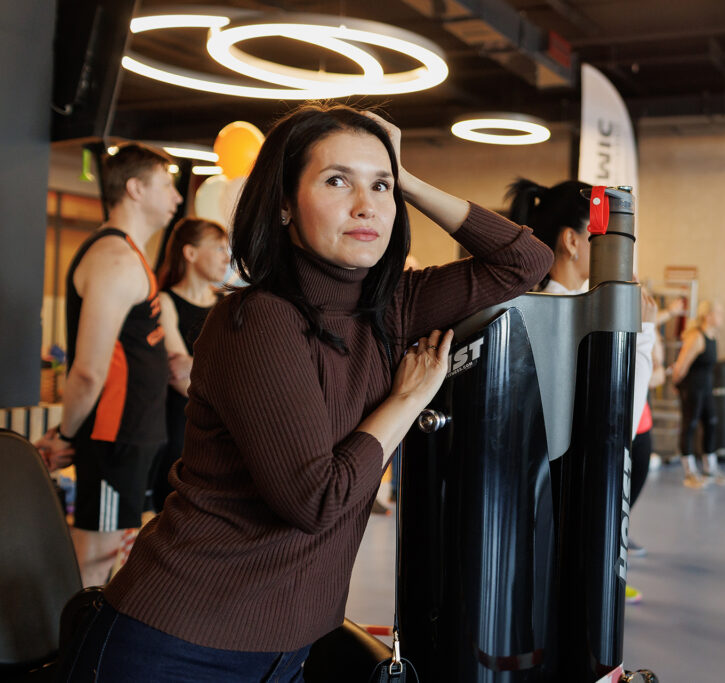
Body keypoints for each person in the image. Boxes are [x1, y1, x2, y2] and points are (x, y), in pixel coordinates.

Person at [63, 104, 551, 680]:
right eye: (337, 181)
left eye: (381, 186)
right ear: (284, 204)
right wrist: (406, 401)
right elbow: (315, 501)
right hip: (176, 645)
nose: (366, 205)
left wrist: (407, 177)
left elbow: (525, 260)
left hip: (285, 650)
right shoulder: (256, 319)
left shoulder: (392, 307)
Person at [35, 143, 183, 586]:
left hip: (133, 436)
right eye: (167, 185)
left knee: (115, 559)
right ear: (135, 189)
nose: (177, 197)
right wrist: (67, 435)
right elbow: (87, 371)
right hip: (113, 437)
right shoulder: (114, 259)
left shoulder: (131, 256)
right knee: (94, 563)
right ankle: (72, 634)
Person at [506, 178, 654, 603]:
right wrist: (643, 335)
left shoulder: (558, 306)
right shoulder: (565, 313)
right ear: (572, 241)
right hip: (568, 489)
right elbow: (618, 419)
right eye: (600, 234)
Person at [149, 217, 230, 512]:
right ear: (190, 253)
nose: (227, 258)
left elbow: (244, 372)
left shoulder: (227, 304)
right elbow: (178, 377)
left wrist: (195, 365)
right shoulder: (165, 301)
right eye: (219, 248)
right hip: (178, 428)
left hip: (221, 433)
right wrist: (225, 375)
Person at [672, 300, 725, 488]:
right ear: (707, 316)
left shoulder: (712, 337)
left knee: (711, 423)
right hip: (691, 388)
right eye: (718, 313)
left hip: (706, 388)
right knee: (689, 426)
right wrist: (676, 384)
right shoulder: (696, 337)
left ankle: (710, 469)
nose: (722, 317)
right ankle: (689, 472)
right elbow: (681, 366)